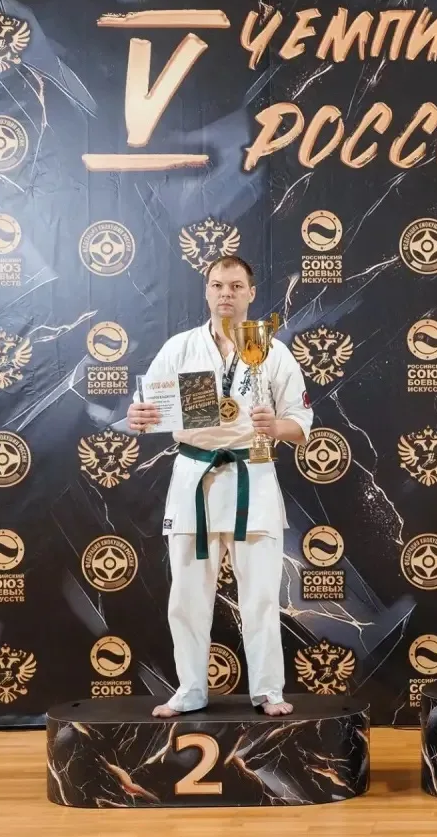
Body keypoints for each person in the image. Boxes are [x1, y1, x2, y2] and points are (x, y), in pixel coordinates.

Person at [126, 255, 312, 718]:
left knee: (262, 596)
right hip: (195, 478)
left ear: (251, 293)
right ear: (206, 291)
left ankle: (268, 690)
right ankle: (191, 688)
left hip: (253, 476)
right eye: (217, 285)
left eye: (235, 286)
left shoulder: (273, 351)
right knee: (187, 595)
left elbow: (301, 423)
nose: (225, 293)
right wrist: (137, 416)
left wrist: (275, 426)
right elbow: (146, 409)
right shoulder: (180, 348)